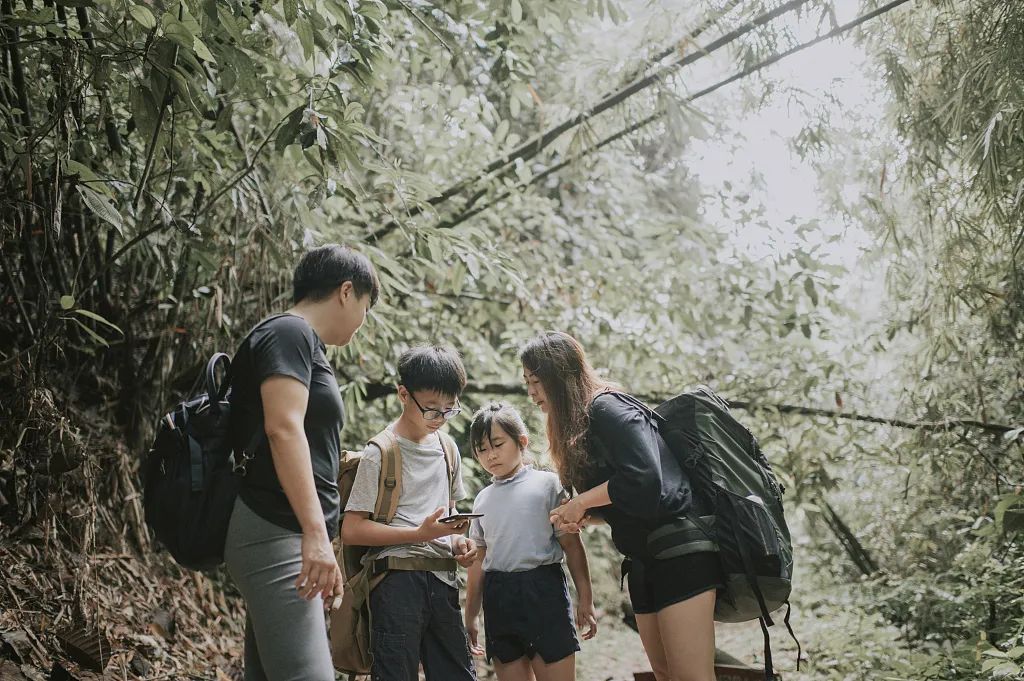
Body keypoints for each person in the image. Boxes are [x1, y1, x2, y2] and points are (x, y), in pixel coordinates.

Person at [521, 331, 723, 681]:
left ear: (558, 376)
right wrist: (582, 516)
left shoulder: (607, 407)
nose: (532, 393)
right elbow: (625, 500)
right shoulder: (579, 425)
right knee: (662, 673)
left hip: (680, 549)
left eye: (536, 381)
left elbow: (645, 477)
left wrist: (582, 501)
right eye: (527, 383)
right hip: (643, 560)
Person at [224, 244, 380, 681]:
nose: (363, 322)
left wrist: (321, 536)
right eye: (366, 308)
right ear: (346, 292)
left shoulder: (299, 340)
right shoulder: (289, 333)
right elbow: (283, 428)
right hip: (275, 529)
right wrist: (314, 534)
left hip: (282, 529)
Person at [341, 345, 478, 681]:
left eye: (450, 410)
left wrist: (459, 543)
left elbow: (449, 514)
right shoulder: (381, 452)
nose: (441, 419)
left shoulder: (447, 449)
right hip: (395, 581)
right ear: (404, 394)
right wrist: (419, 534)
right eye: (432, 410)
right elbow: (353, 529)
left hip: (443, 580)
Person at [463, 402, 598, 681]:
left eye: (497, 444)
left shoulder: (548, 484)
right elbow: (478, 562)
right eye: (482, 449)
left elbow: (572, 546)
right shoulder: (482, 499)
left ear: (521, 441)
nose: (490, 455)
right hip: (499, 597)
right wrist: (471, 615)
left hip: (544, 591)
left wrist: (585, 598)